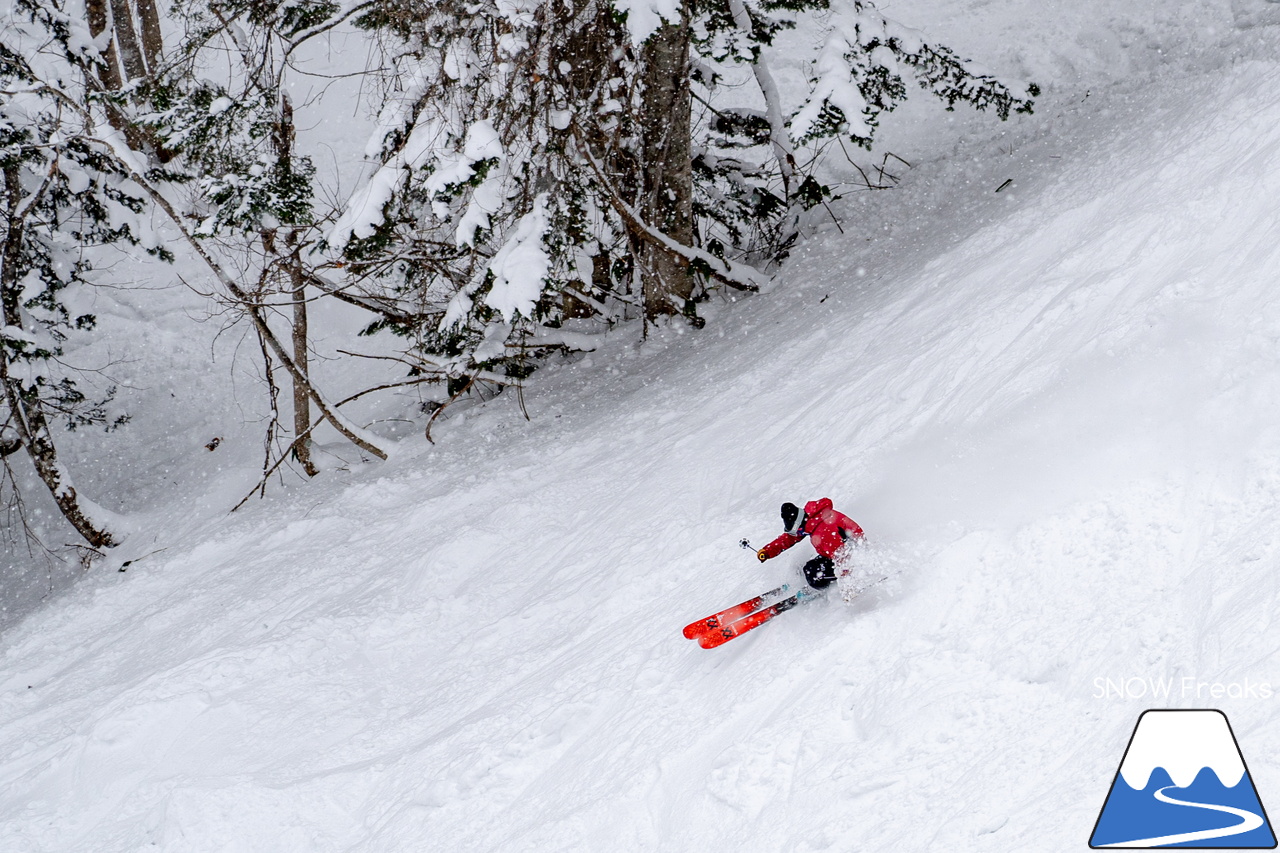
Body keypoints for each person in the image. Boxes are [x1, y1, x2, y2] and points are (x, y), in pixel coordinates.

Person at [756, 498, 864, 590]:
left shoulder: (824, 531)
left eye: (797, 531)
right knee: (805, 568)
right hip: (837, 553)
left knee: (812, 573)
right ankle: (817, 580)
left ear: (800, 524)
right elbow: (789, 538)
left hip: (854, 557)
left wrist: (849, 587)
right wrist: (767, 551)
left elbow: (842, 557)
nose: (798, 534)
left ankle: (826, 588)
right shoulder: (811, 520)